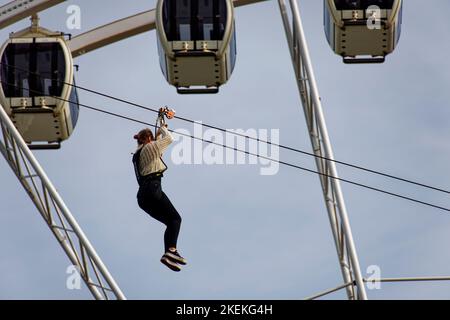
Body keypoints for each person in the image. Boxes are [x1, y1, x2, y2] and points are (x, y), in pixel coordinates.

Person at [132, 119, 187, 272]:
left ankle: (169, 253)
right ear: (149, 139)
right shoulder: (150, 147)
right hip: (152, 189)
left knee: (171, 222)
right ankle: (171, 250)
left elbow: (159, 151)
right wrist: (163, 128)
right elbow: (169, 139)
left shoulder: (139, 154)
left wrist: (158, 133)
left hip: (143, 198)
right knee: (176, 219)